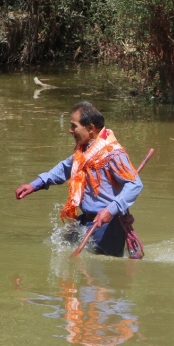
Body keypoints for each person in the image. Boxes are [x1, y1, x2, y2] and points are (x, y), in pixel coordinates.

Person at [16, 101, 144, 257]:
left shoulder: (113, 154)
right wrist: (35, 184)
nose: (70, 131)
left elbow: (135, 184)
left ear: (90, 129)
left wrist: (110, 210)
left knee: (100, 276)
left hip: (108, 226)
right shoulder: (85, 151)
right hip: (86, 220)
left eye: (74, 126)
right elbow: (65, 168)